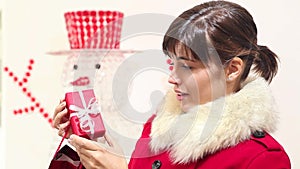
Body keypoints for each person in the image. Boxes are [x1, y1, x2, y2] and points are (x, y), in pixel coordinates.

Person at [53, 0, 291, 168]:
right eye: (172, 64)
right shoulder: (157, 127)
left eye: (188, 66)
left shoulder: (263, 158)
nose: (172, 78)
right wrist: (89, 144)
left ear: (232, 69)